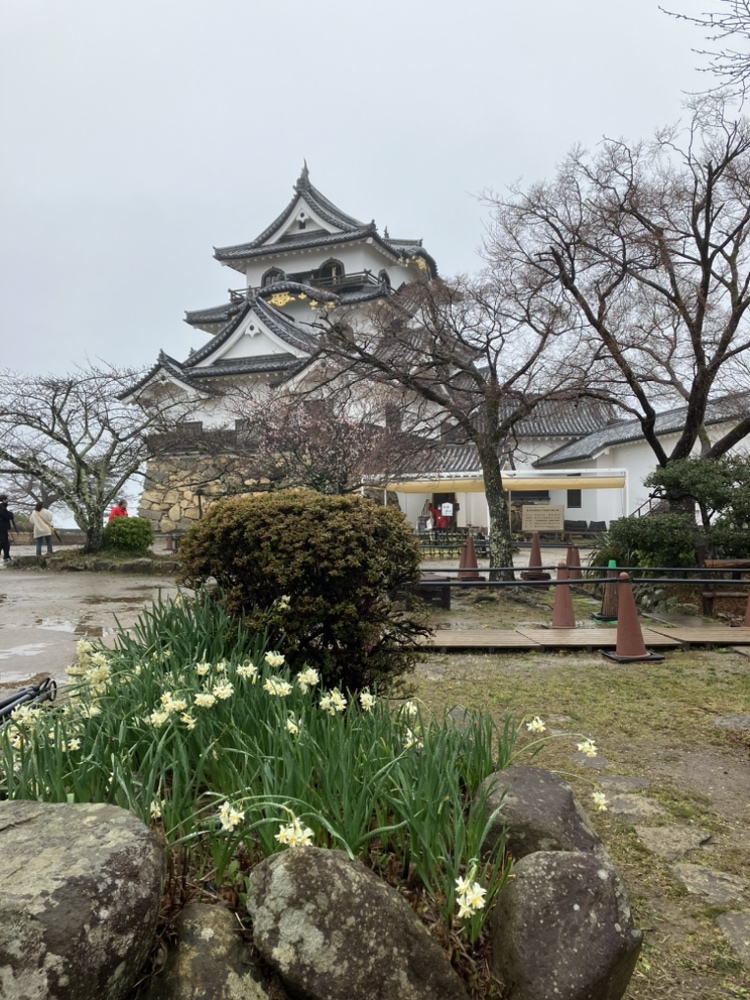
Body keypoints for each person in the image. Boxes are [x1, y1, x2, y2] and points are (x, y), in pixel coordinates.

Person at [0, 495, 18, 562]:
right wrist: (11, 514)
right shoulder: (2, 508)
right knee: (3, 542)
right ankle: (6, 556)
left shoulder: (3, 507)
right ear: (4, 500)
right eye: (6, 499)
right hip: (2, 527)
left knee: (6, 543)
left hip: (3, 528)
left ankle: (6, 556)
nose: (8, 501)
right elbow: (7, 515)